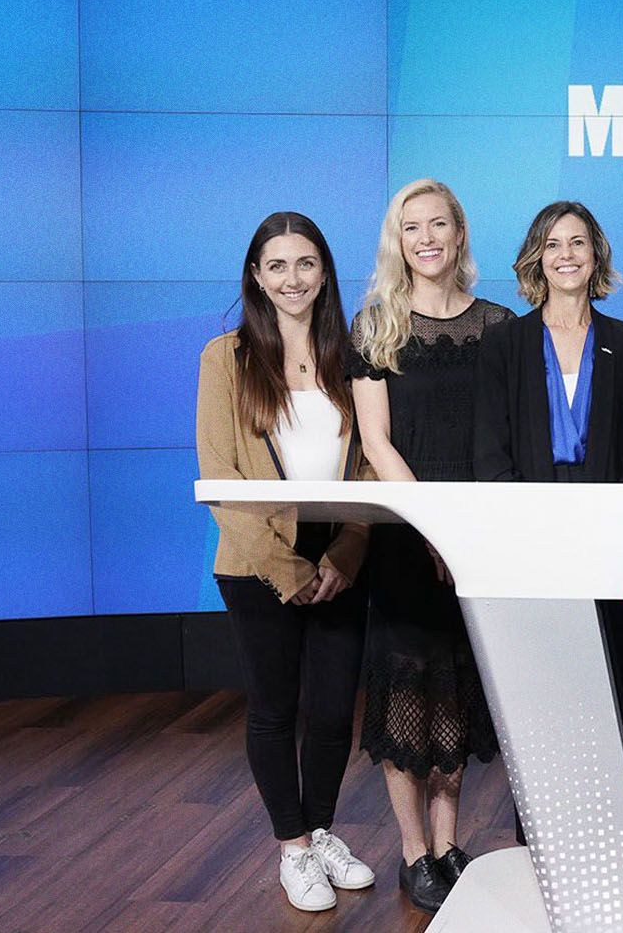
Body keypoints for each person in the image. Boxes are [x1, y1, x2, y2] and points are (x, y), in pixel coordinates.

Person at [196, 211, 377, 913]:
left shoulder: (353, 350)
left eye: (305, 264)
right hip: (254, 557)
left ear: (324, 272)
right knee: (274, 709)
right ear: (255, 276)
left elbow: (369, 462)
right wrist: (287, 568)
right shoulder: (226, 357)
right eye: (277, 265)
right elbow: (220, 475)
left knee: (333, 711)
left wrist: (350, 547)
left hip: (341, 550)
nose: (292, 278)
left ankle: (323, 829)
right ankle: (294, 848)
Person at [348, 180, 511, 913]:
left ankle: (448, 845)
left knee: (459, 697)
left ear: (459, 231)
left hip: (478, 536)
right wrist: (430, 526)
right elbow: (377, 442)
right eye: (411, 227)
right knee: (408, 699)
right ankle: (414, 852)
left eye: (438, 223)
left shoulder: (500, 326)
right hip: (408, 537)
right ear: (398, 240)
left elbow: (503, 438)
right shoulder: (375, 325)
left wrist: (468, 531)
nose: (426, 238)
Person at [474, 200, 623, 484]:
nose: (567, 255)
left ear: (595, 254)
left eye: (577, 242)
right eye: (552, 245)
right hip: (524, 514)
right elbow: (490, 452)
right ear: (537, 257)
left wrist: (617, 508)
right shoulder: (504, 342)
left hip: (609, 513)